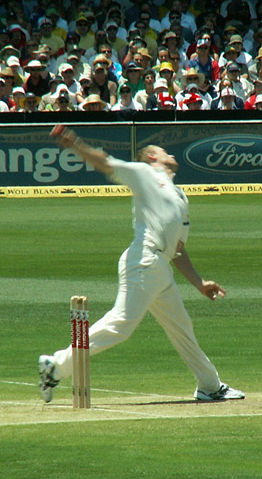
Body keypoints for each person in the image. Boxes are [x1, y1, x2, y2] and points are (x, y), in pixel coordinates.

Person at [39, 126, 245, 404]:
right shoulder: (145, 173)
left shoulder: (180, 196)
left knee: (182, 327)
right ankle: (57, 365)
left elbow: (178, 251)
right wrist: (75, 143)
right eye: (163, 151)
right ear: (151, 157)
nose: (169, 153)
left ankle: (210, 385)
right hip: (144, 261)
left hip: (160, 268)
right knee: (121, 325)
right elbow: (104, 162)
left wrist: (199, 283)